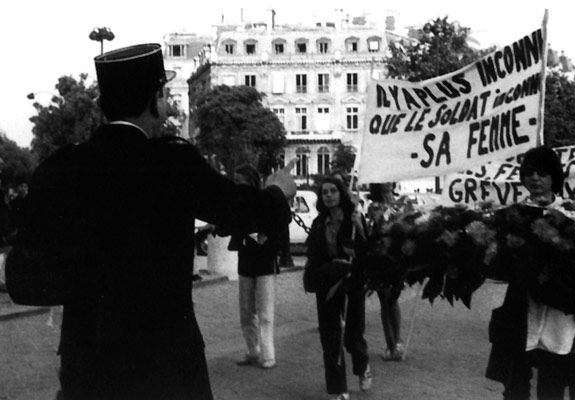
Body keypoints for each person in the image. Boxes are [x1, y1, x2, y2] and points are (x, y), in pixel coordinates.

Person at [5, 43, 295, 400]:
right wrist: (278, 193)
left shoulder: (62, 167)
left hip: (90, 368)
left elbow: (22, 280)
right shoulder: (171, 162)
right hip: (166, 366)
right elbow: (240, 210)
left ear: (103, 104)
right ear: (156, 99)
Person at [485, 146, 575, 400]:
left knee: (553, 379)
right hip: (522, 307)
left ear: (554, 178)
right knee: (516, 382)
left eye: (542, 173)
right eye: (529, 173)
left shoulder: (572, 214)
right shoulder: (511, 214)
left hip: (560, 311)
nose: (535, 178)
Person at [303, 176, 371, 400]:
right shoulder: (319, 223)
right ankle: (337, 388)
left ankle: (362, 366)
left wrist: (360, 229)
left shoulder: (354, 220)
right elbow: (313, 254)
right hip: (327, 284)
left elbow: (366, 251)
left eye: (333, 191)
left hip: (352, 284)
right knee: (330, 338)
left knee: (352, 336)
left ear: (341, 193)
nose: (329, 195)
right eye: (325, 192)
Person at [230, 164, 282, 369]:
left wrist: (263, 235)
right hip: (246, 260)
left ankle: (268, 354)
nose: (237, 186)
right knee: (245, 309)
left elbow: (276, 224)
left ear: (251, 182)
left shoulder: (265, 201)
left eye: (240, 182)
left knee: (265, 311)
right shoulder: (237, 203)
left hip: (264, 260)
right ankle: (253, 349)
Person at [365, 190, 404, 362]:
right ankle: (391, 344)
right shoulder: (374, 212)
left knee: (392, 302)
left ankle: (396, 342)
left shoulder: (394, 211)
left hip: (392, 264)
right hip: (379, 265)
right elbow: (369, 237)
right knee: (386, 303)